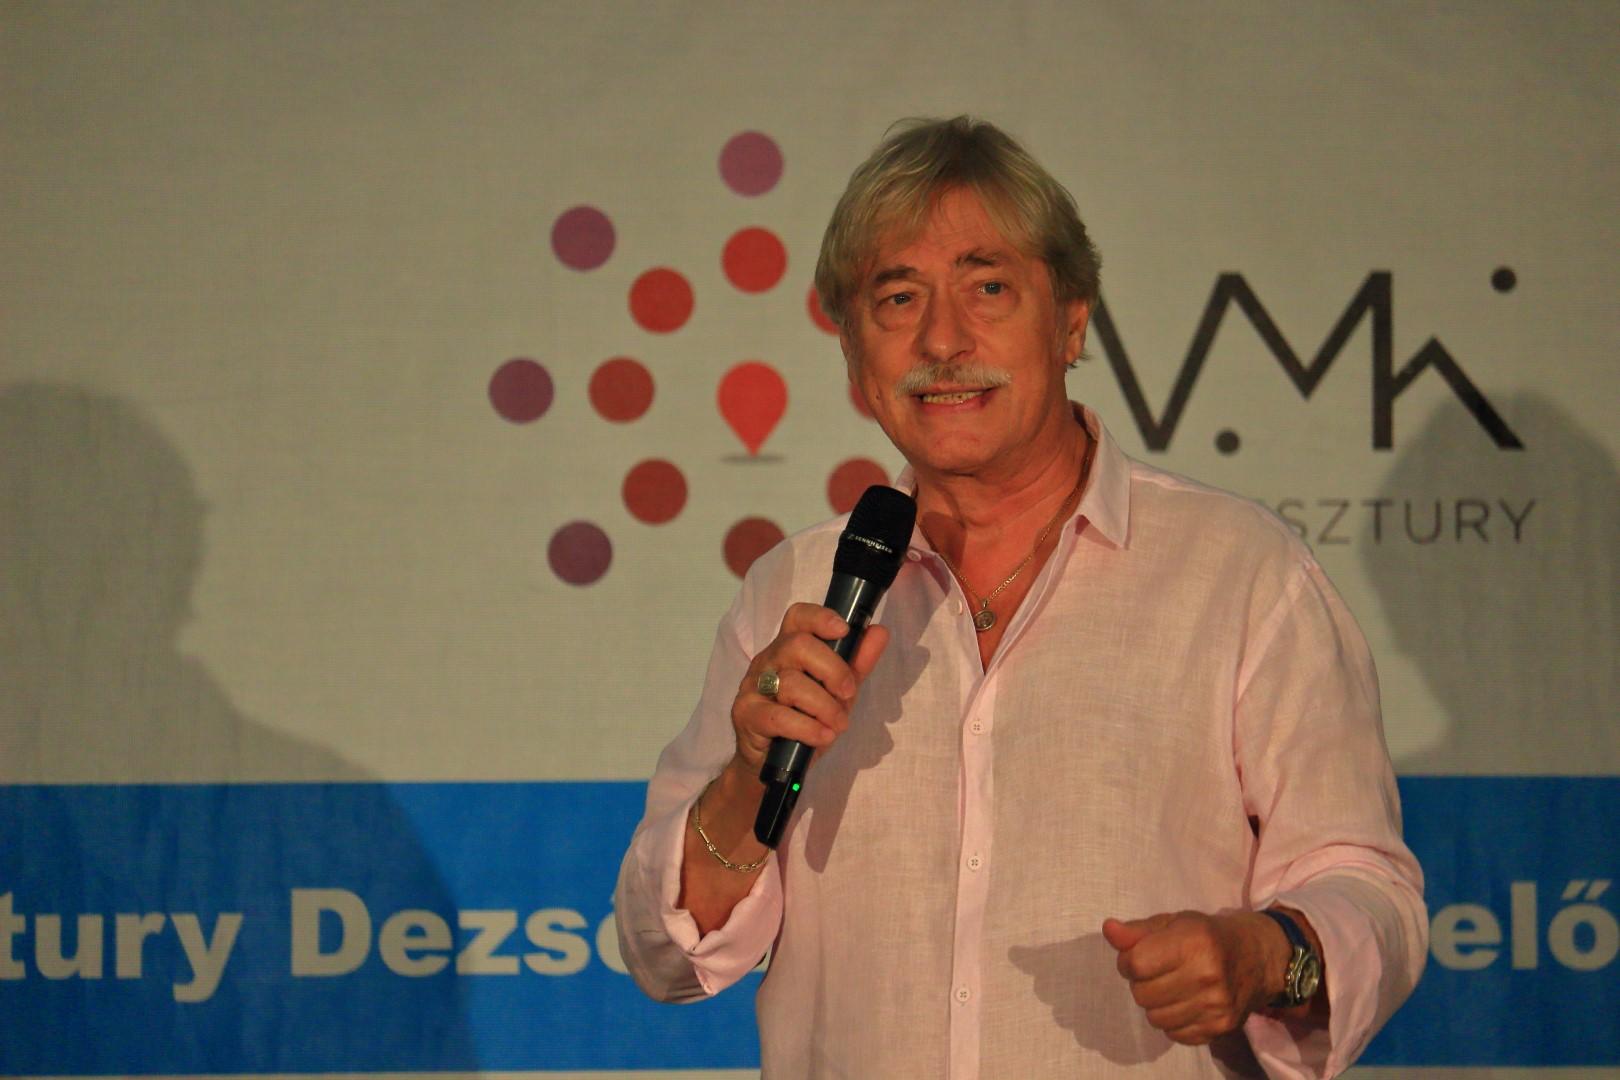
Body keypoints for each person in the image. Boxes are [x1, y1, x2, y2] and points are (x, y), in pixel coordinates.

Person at [615, 116, 1426, 1078]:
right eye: (898, 298)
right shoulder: (793, 592)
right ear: (854, 354)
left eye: (987, 287)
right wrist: (750, 776)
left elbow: (1369, 887)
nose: (942, 339)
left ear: (1071, 320)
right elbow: (667, 954)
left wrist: (1265, 954)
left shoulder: (1240, 573)